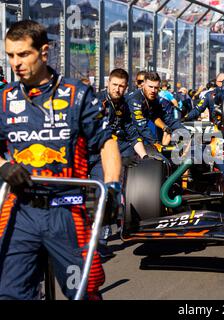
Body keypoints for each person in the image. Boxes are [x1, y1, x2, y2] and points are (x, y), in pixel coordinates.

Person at [0, 20, 122, 300]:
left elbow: (106, 143)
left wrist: (113, 187)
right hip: (21, 211)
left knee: (83, 291)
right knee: (10, 293)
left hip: (68, 213)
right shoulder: (4, 99)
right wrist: (4, 165)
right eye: (10, 55)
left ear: (43, 52)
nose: (15, 63)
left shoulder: (77, 95)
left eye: (23, 54)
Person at [90, 68, 148, 258]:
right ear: (108, 83)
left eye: (122, 86)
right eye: (115, 85)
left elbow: (132, 134)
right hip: (91, 153)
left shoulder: (126, 105)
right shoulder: (94, 101)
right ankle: (90, 242)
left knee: (109, 193)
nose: (118, 89)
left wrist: (145, 158)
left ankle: (103, 239)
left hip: (112, 153)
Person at [126, 71, 174, 146]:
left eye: (156, 88)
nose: (153, 90)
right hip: (126, 135)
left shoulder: (153, 97)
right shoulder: (135, 99)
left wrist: (165, 127)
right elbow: (141, 125)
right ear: (143, 84)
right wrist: (156, 143)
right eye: (150, 87)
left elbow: (154, 116)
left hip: (140, 132)